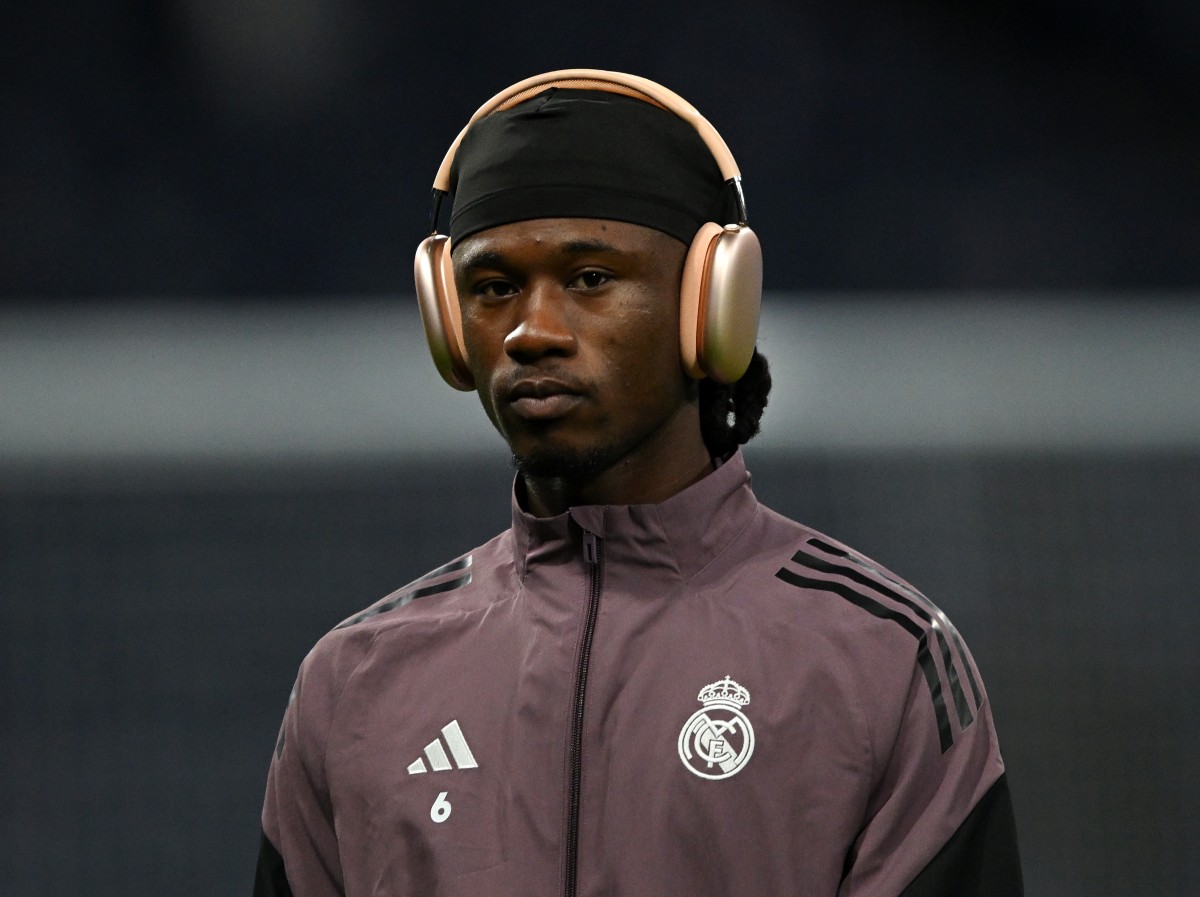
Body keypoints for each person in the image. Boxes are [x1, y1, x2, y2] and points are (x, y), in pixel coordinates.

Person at [253, 70, 1022, 897]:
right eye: (492, 287)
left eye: (590, 278)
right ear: (448, 328)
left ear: (711, 306)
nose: (530, 331)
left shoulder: (882, 660)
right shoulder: (352, 684)